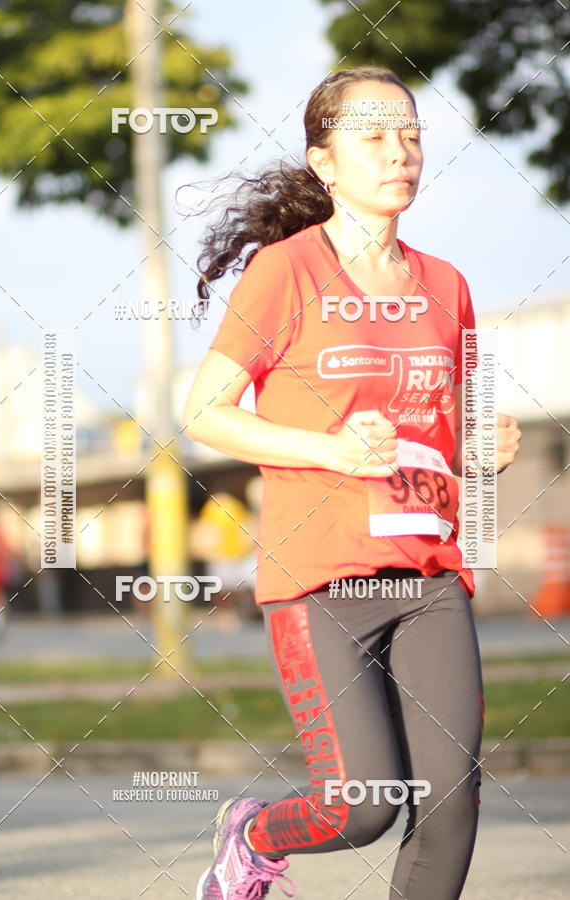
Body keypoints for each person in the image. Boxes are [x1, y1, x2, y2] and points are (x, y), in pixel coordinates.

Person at [183, 66, 521, 900]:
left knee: (450, 809)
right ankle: (251, 833)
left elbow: (444, 427)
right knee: (359, 806)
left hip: (430, 576)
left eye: (409, 133)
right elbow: (204, 413)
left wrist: (479, 445)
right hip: (318, 577)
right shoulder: (287, 271)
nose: (398, 151)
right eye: (371, 135)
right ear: (324, 161)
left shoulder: (447, 287)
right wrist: (329, 449)